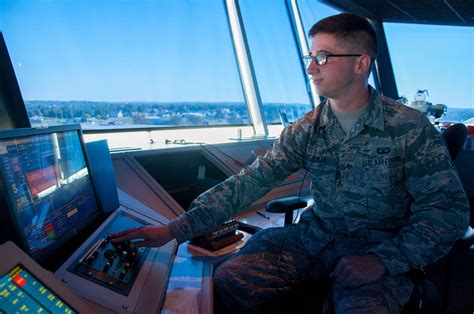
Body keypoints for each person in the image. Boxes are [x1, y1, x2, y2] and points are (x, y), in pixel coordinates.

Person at [112, 13, 470, 313]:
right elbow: (250, 183)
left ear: (361, 63)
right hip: (315, 238)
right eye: (310, 57)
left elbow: (448, 212)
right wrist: (172, 230)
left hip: (380, 248)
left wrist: (382, 262)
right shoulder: (306, 129)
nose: (312, 68)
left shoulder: (408, 127)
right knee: (230, 282)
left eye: (324, 57)